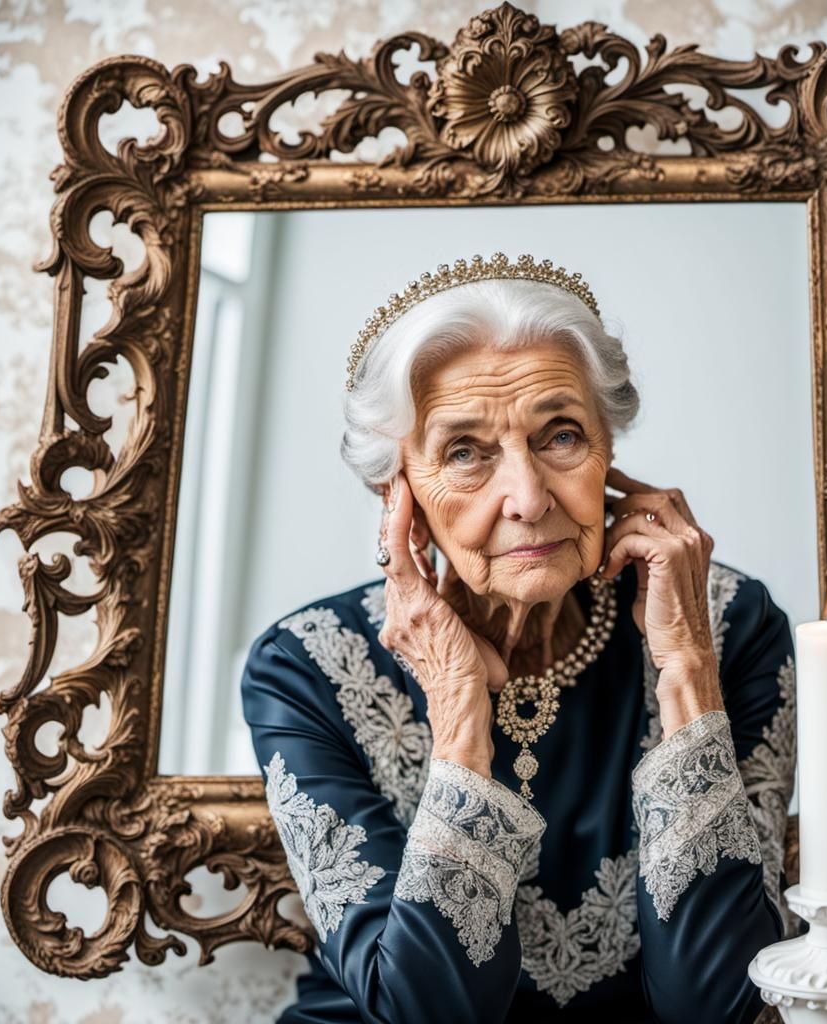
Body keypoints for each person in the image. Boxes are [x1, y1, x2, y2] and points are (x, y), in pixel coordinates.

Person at [240, 253, 798, 1022]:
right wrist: (460, 717)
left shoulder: (731, 625)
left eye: (561, 435)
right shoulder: (305, 666)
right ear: (396, 490)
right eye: (465, 453)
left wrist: (687, 671)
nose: (529, 499)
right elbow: (425, 1013)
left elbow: (716, 1004)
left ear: (609, 451)